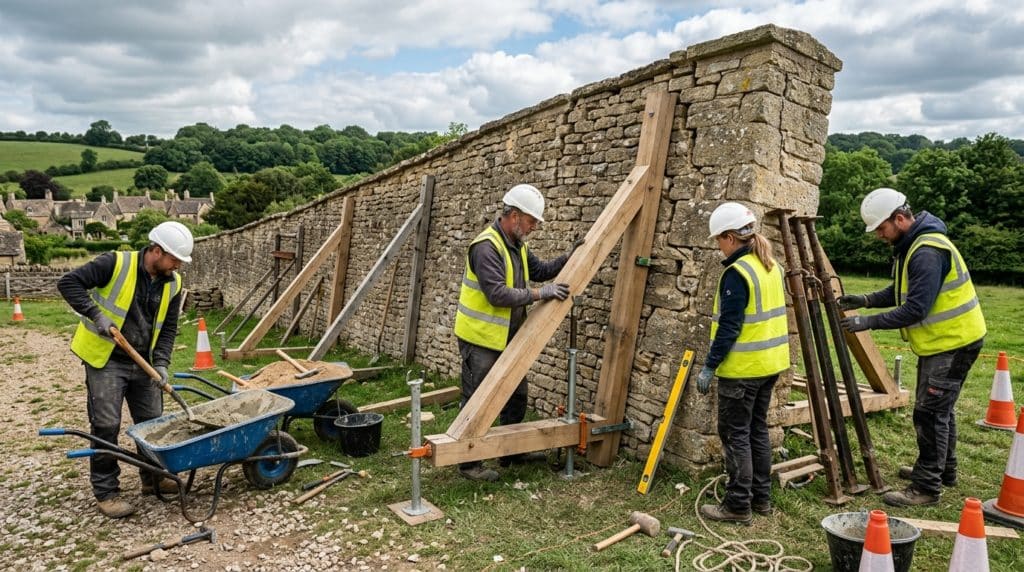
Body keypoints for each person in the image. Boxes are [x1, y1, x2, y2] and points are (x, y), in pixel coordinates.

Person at [839, 187, 985, 507]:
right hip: (948, 341)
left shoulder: (926, 252)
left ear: (901, 218)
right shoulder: (914, 245)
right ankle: (944, 470)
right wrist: (865, 300)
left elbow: (915, 308)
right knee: (940, 409)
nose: (879, 235)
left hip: (953, 343)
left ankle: (926, 487)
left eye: (881, 228)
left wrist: (868, 322)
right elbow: (901, 291)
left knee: (929, 413)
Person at [57, 221, 193, 518]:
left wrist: (161, 363)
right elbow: (68, 283)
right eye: (174, 260)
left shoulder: (174, 283)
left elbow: (168, 328)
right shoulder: (115, 263)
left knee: (152, 423)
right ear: (156, 251)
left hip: (143, 362)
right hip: (107, 359)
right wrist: (96, 315)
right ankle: (106, 491)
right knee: (106, 424)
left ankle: (153, 478)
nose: (177, 266)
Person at [453, 184, 579, 481]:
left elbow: (542, 270)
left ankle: (511, 453)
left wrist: (569, 257)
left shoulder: (517, 245)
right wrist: (540, 294)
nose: (534, 227)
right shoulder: (486, 247)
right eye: (532, 221)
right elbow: (497, 294)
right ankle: (468, 463)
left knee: (516, 396)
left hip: (508, 337)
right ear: (513, 216)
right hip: (480, 338)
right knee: (477, 400)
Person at [696, 202, 789, 524]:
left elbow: (730, 328)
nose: (718, 247)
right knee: (756, 431)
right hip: (770, 365)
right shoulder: (770, 265)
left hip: (743, 370)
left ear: (730, 237)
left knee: (735, 435)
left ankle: (737, 506)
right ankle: (761, 499)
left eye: (718, 240)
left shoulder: (737, 273)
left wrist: (710, 365)